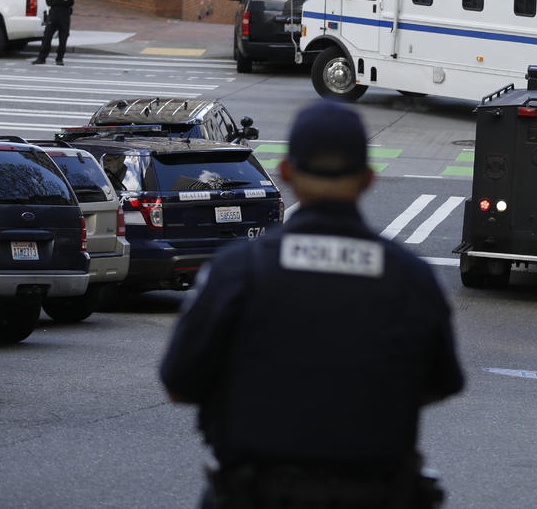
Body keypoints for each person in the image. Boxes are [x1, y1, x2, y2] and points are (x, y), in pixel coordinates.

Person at [159, 100, 465, 509]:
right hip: (377, 493)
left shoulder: (237, 270)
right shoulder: (411, 277)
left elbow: (179, 382)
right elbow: (442, 382)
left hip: (256, 492)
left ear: (286, 173)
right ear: (368, 179)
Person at [33, 0, 82, 65]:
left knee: (63, 39)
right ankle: (41, 58)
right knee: (47, 37)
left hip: (65, 15)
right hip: (54, 14)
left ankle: (59, 59)